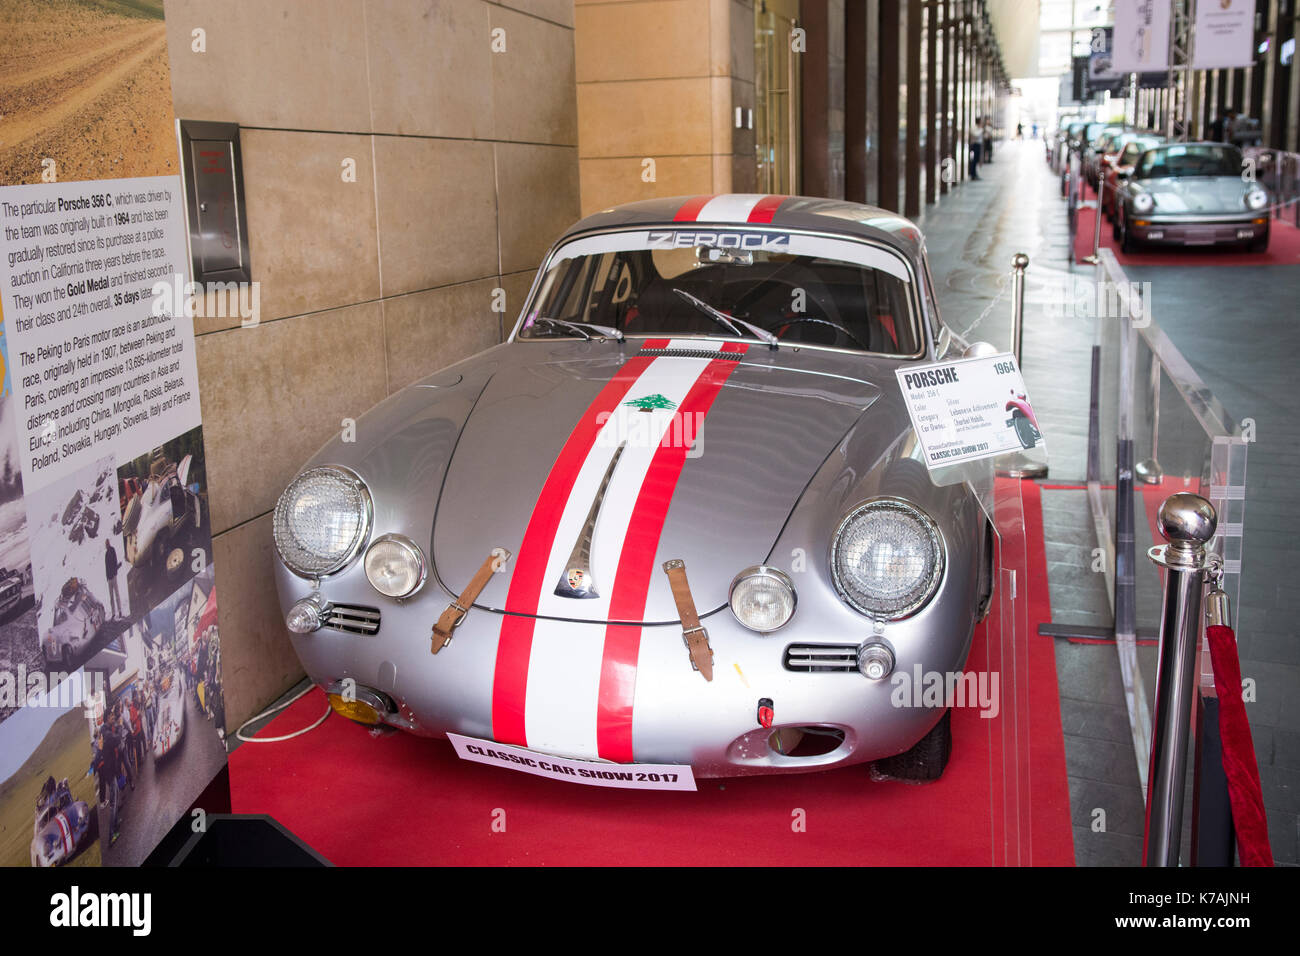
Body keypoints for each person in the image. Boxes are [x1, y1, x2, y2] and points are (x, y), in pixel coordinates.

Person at [104, 539, 122, 619]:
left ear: (109, 543)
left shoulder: (112, 550)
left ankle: (120, 610)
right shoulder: (106, 553)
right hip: (109, 578)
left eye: (107, 543)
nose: (107, 545)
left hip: (113, 576)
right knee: (111, 597)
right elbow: (106, 567)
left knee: (117, 594)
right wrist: (107, 577)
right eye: (106, 544)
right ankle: (113, 613)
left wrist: (115, 572)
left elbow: (115, 561)